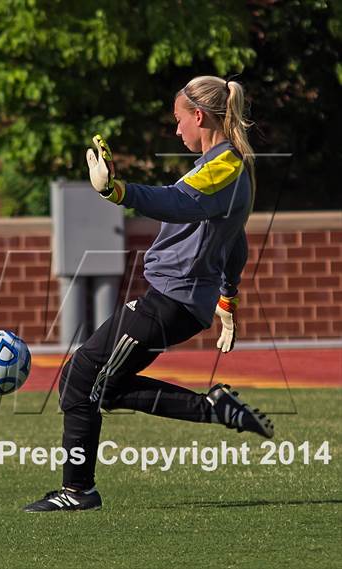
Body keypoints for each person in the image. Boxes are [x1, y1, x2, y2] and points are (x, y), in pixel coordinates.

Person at [24, 75, 274, 513]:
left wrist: (114, 190)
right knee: (105, 389)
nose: (177, 130)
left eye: (179, 120)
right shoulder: (224, 164)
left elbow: (176, 204)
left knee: (79, 377)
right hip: (176, 300)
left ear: (199, 116)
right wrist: (228, 298)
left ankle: (78, 491)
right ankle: (212, 407)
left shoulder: (225, 166)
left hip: (171, 301)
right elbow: (236, 243)